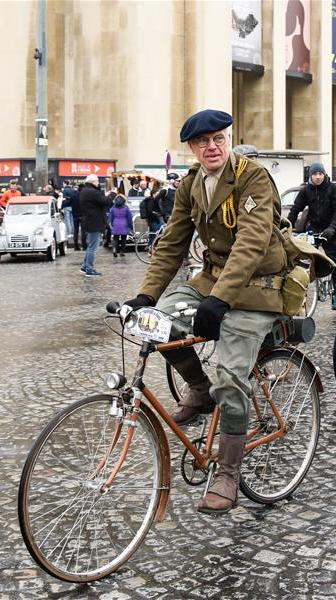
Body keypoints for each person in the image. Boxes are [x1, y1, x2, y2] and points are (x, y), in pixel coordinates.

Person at [123, 109, 289, 515]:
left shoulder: (252, 176)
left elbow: (252, 242)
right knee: (156, 326)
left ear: (229, 139)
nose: (211, 147)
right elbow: (172, 243)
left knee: (232, 376)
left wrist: (221, 300)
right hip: (211, 280)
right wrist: (146, 296)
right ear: (191, 148)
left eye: (218, 139)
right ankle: (200, 391)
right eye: (202, 142)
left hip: (257, 287)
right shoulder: (191, 184)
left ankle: (229, 471)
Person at [287, 162, 336, 311]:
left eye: (320, 174)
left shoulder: (333, 189)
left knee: (335, 262)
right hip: (315, 228)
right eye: (315, 174)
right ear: (310, 176)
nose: (318, 177)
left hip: (331, 229)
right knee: (305, 259)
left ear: (324, 175)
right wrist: (287, 225)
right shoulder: (306, 191)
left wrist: (332, 228)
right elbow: (296, 209)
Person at [79, 174, 111, 277]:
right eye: (97, 181)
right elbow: (105, 201)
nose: (98, 183)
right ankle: (89, 268)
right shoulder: (93, 192)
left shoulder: (85, 190)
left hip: (89, 221)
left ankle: (84, 266)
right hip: (94, 222)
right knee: (93, 247)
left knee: (90, 246)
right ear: (93, 182)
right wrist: (112, 194)